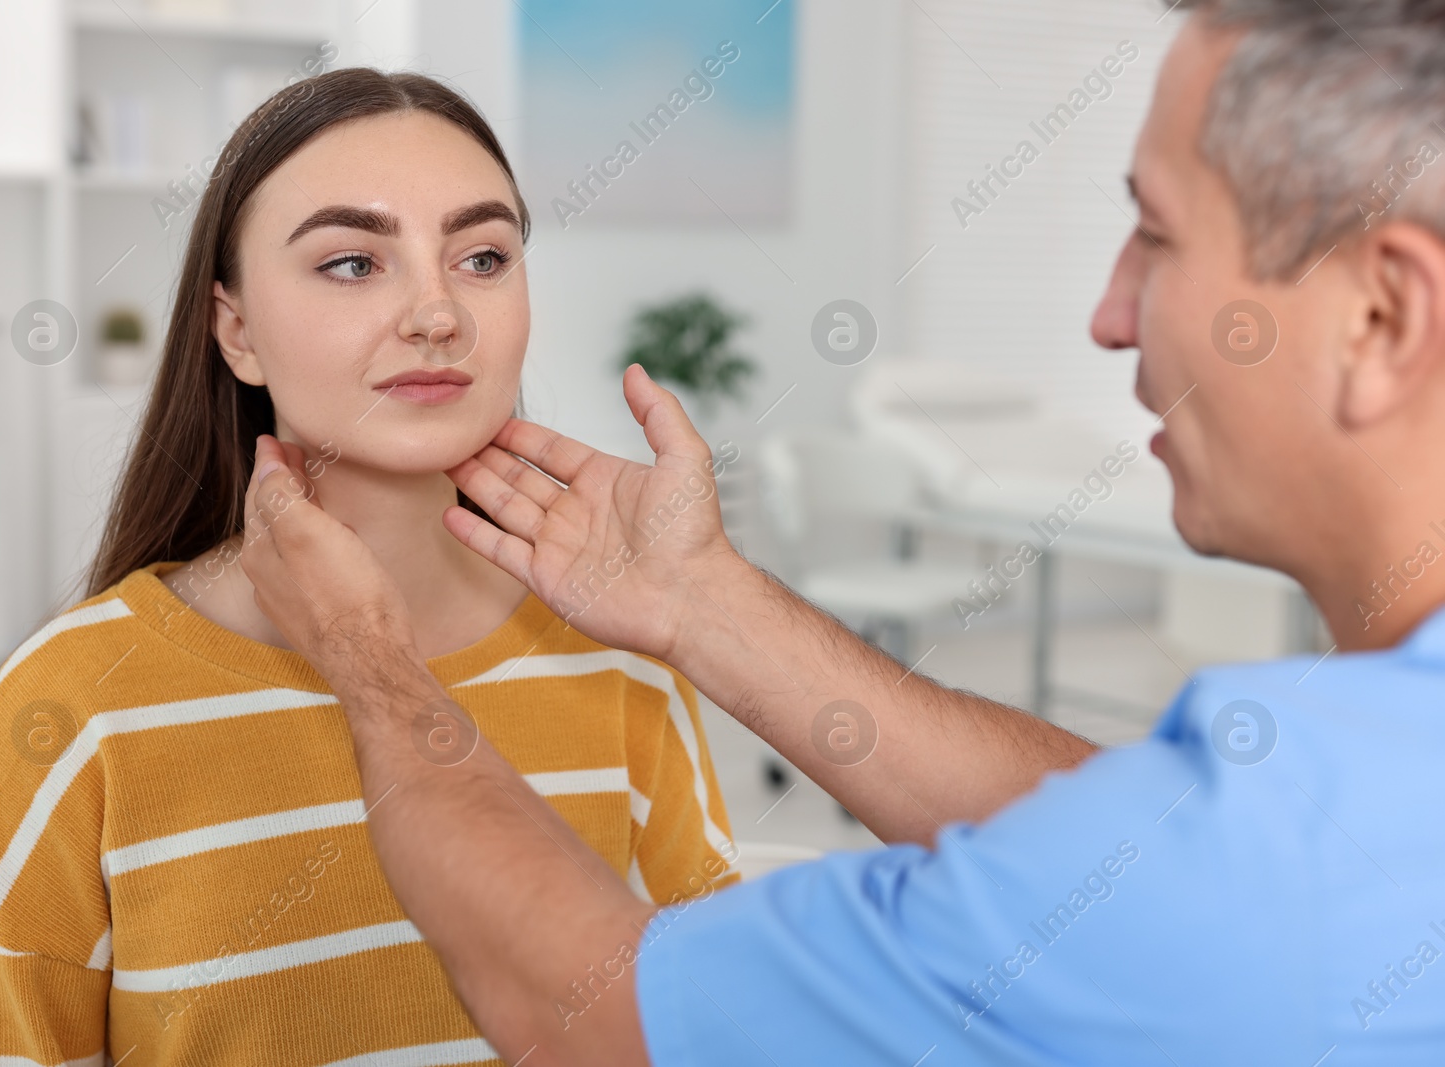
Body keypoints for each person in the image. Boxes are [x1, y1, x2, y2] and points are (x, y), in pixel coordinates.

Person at [236, 1, 1445, 1064]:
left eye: (1161, 236)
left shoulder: (1285, 870)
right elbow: (1126, 845)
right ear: (235, 330)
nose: (1109, 313)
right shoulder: (1326, 811)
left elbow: (586, 1014)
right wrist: (701, 597)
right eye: (351, 261)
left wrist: (369, 663)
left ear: (1384, 314)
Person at [0, 69, 737, 1066]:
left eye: (483, 255)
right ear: (238, 331)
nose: (438, 313)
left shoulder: (623, 659)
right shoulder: (74, 702)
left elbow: (716, 1027)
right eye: (353, 263)